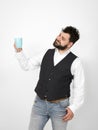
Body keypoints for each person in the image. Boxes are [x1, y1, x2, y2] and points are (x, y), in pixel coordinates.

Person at [14, 26, 85, 130]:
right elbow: (27, 66)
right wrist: (19, 51)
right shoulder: (46, 53)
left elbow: (79, 87)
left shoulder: (76, 62)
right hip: (39, 104)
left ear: (70, 44)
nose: (58, 38)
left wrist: (73, 108)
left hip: (60, 108)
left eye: (63, 38)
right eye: (60, 35)